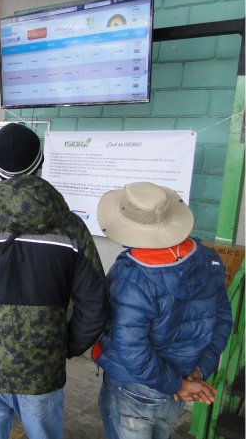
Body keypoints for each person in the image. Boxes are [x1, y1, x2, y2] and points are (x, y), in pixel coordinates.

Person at [0, 123, 110, 439]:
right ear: (40, 163)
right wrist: (66, 346)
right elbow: (95, 303)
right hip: (44, 370)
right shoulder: (72, 229)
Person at [95, 181, 232, 439]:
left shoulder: (131, 276)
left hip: (135, 387)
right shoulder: (207, 258)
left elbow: (130, 347)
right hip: (181, 378)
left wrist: (180, 384)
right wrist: (198, 371)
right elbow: (222, 320)